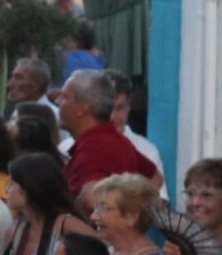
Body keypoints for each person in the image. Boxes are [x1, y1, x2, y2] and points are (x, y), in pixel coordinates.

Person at [55, 70, 155, 198]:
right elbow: (155, 178)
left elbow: (91, 200)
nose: (58, 101)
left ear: (83, 108)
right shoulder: (118, 140)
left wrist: (77, 207)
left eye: (65, 97)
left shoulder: (92, 147)